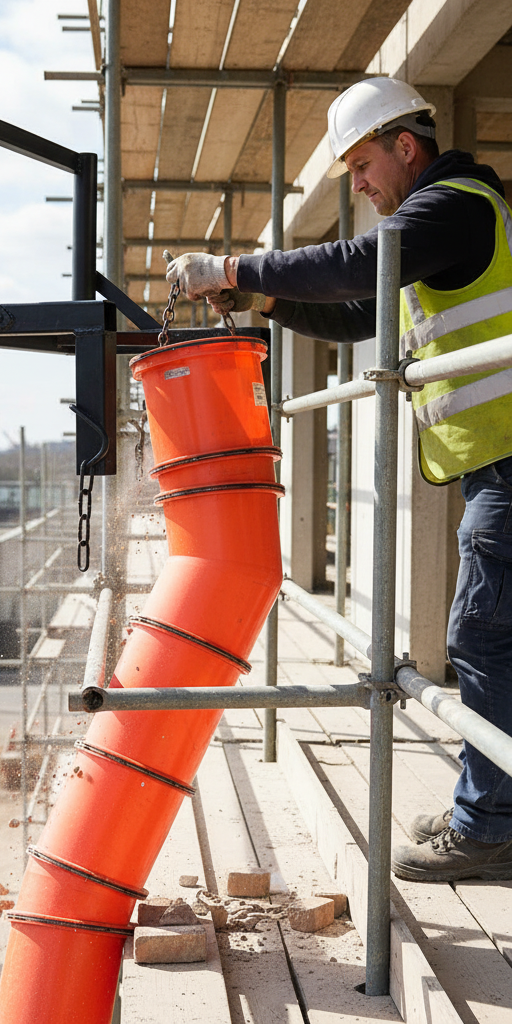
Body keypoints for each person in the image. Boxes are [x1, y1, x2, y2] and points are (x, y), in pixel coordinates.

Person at [166, 76, 512, 883]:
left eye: (360, 165)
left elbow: (358, 268)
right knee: (497, 637)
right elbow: (362, 313)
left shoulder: (453, 204)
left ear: (404, 145)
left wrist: (235, 265)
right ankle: (490, 805)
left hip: (509, 461)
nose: (357, 186)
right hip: (493, 460)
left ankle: (488, 825)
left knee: (482, 638)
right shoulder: (436, 230)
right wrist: (257, 298)